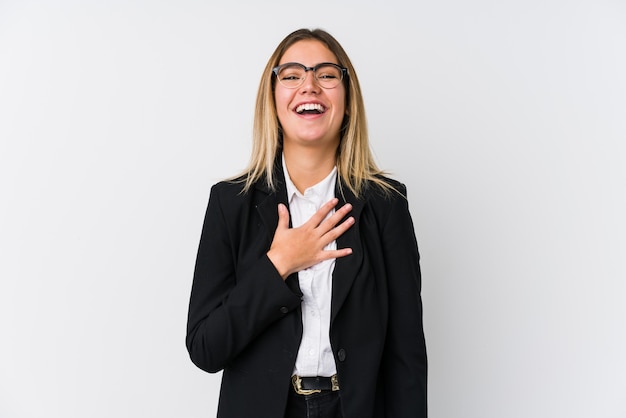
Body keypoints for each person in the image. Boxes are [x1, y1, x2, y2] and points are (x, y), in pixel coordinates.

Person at [186, 28, 427, 418]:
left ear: (347, 101)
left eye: (327, 75)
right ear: (274, 100)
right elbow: (205, 348)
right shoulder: (230, 203)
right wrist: (278, 264)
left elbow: (407, 355)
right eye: (293, 75)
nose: (310, 86)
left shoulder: (387, 204)